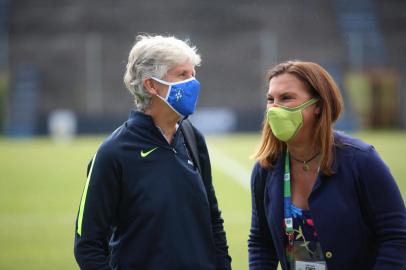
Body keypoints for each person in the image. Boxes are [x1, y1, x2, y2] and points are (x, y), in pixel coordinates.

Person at [74, 34, 232, 270]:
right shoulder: (113, 153)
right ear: (151, 85)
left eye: (193, 75)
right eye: (182, 75)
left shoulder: (192, 137)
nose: (193, 83)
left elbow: (212, 221)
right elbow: (88, 245)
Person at [248, 60, 406, 270]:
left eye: (286, 98)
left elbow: (396, 236)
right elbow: (261, 242)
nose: (275, 109)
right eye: (271, 99)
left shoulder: (361, 161)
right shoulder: (266, 168)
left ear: (319, 106)